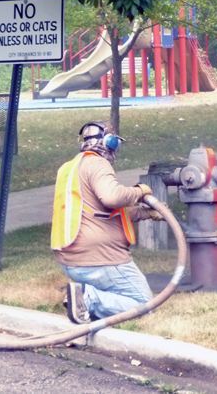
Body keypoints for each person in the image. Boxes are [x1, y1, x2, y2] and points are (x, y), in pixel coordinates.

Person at [51, 121, 163, 324]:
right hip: (100, 259)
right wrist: (140, 191)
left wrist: (147, 213)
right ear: (109, 143)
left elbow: (102, 213)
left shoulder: (69, 167)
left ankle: (87, 296)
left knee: (122, 296)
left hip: (71, 260)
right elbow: (112, 197)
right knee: (144, 303)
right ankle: (88, 297)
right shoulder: (97, 163)